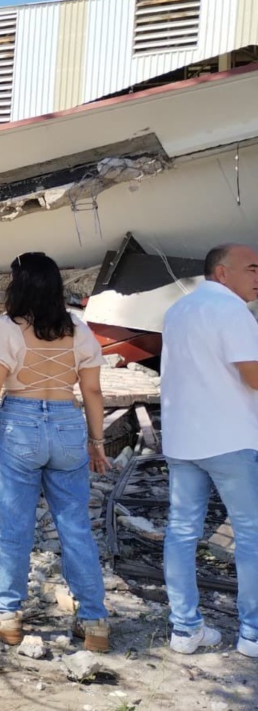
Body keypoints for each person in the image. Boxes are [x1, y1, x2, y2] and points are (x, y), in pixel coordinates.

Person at [0, 252, 112, 653]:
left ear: (19, 285)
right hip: (68, 423)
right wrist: (97, 443)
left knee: (15, 526)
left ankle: (8, 616)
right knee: (76, 526)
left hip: (21, 423)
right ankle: (95, 621)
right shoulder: (79, 330)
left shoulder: (4, 328)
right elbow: (93, 392)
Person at [160, 243, 258, 657]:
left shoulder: (177, 310)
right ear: (222, 272)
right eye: (252, 268)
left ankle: (185, 629)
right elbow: (253, 376)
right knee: (252, 536)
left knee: (181, 533)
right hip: (230, 439)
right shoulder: (233, 310)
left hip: (184, 440)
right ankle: (252, 635)